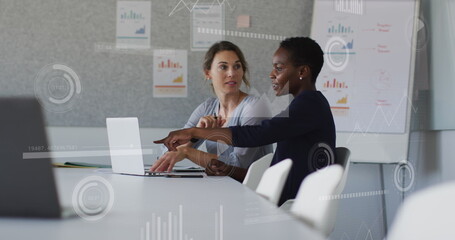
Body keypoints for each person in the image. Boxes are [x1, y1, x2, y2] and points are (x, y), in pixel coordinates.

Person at [154, 37, 336, 205]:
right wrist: (220, 163)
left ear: (302, 71)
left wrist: (194, 136)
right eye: (223, 67)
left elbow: (258, 134)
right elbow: (263, 162)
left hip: (292, 204)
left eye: (279, 68)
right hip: (280, 198)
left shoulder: (309, 104)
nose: (271, 74)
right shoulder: (305, 104)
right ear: (208, 73)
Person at [150, 41, 272, 172]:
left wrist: (187, 152)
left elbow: (238, 164)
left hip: (249, 190)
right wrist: (196, 135)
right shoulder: (207, 107)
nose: (232, 73)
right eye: (223, 67)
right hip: (220, 185)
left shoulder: (255, 107)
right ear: (208, 73)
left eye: (237, 66)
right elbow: (165, 153)